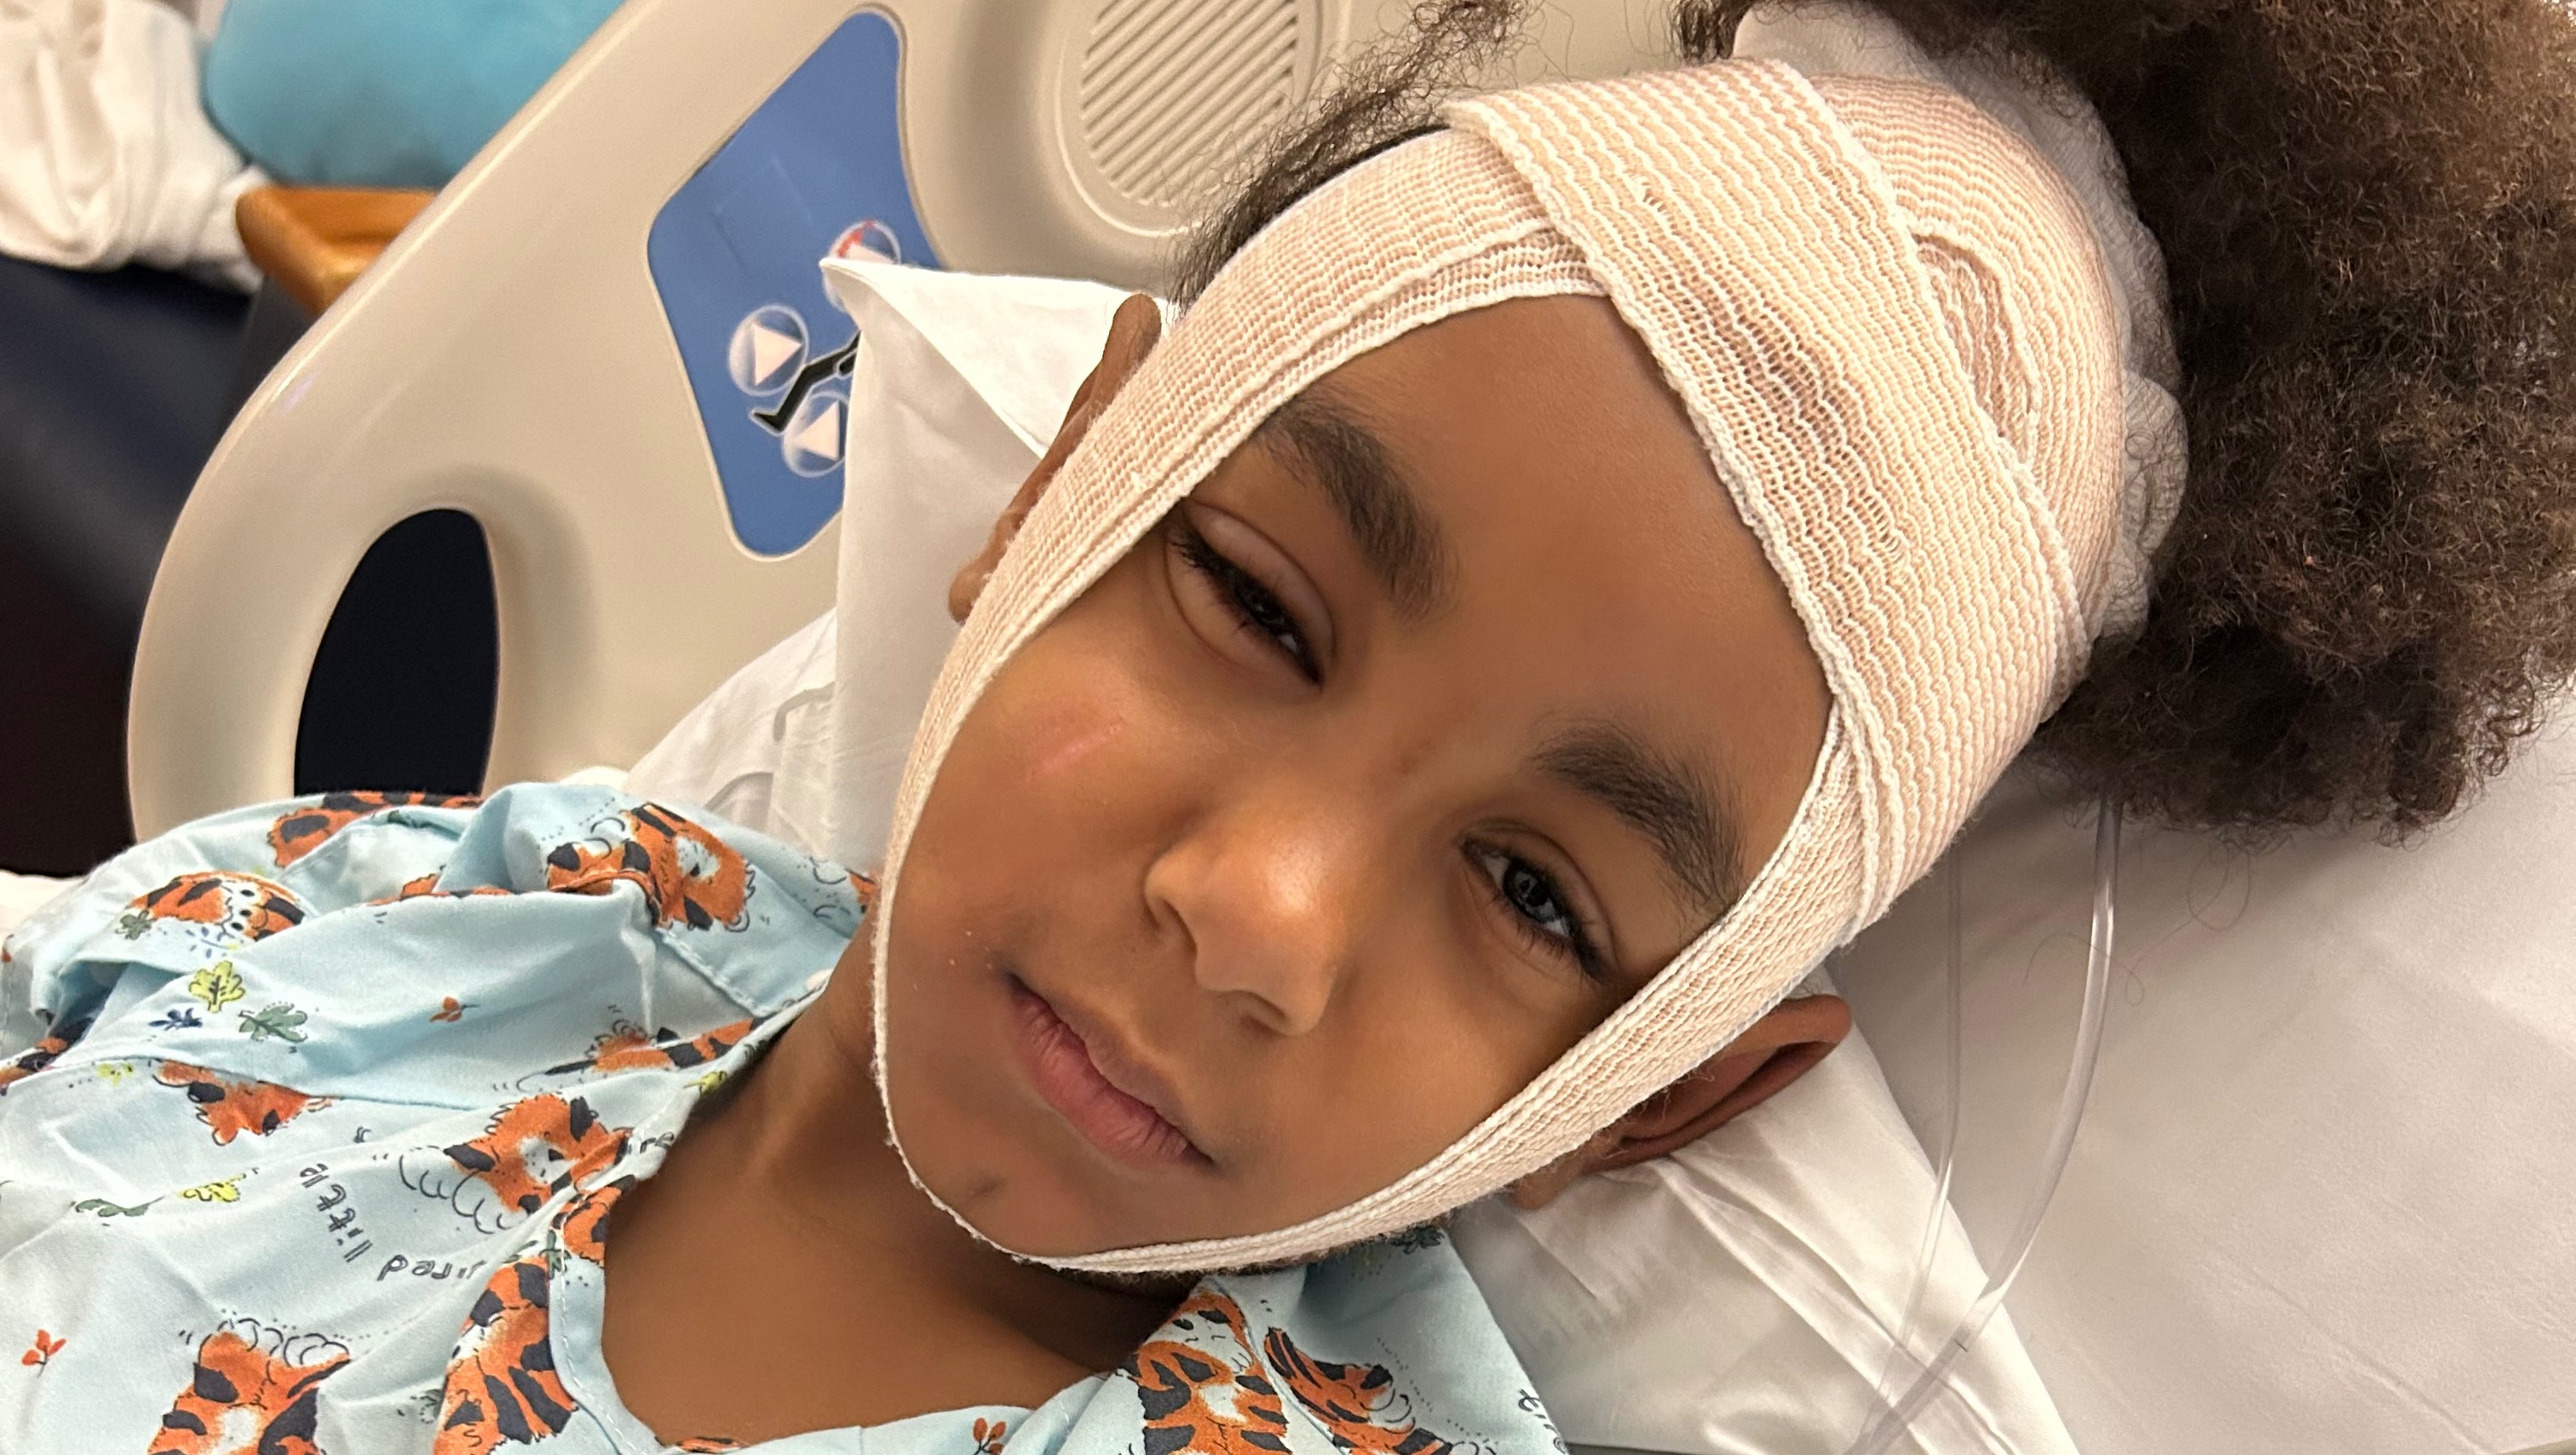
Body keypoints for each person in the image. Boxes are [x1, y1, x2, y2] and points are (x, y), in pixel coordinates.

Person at [4, 0, 2571, 1450]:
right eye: (1252, 599)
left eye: (1539, 897)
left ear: (1664, 1093)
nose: (1254, 910)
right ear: (1063, 485)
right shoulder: (518, 906)